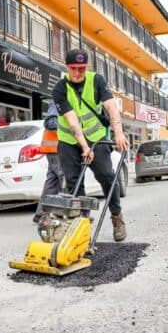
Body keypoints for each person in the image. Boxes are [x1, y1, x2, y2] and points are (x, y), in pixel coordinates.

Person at [53, 49, 130, 242]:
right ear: (67, 67)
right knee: (73, 181)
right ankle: (82, 224)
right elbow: (72, 122)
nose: (78, 73)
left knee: (107, 175)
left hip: (96, 136)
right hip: (69, 140)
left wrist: (118, 133)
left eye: (81, 68)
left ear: (86, 67)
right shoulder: (60, 88)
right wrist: (84, 147)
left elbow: (111, 107)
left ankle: (117, 217)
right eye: (74, 69)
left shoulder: (97, 80)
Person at [33, 101, 64, 223]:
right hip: (56, 148)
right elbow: (50, 122)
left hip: (55, 148)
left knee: (52, 181)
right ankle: (65, 212)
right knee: (65, 178)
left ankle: (41, 213)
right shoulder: (59, 101)